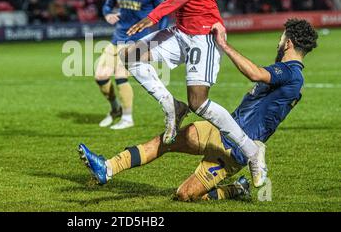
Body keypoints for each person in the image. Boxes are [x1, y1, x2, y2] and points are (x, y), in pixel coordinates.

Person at [79, 19, 318, 201]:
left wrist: (223, 45)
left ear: (288, 43)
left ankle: (236, 188)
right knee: (166, 142)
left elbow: (255, 73)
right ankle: (108, 167)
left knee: (184, 195)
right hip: (222, 131)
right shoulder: (291, 76)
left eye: (281, 38)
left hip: (238, 151)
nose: (278, 42)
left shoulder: (290, 73)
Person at [119, 0, 267, 187]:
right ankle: (172, 106)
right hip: (183, 30)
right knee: (130, 55)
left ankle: (251, 151)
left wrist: (153, 17)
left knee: (198, 103)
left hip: (203, 34)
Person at [95, 0, 169, 130]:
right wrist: (107, 15)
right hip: (117, 39)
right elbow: (106, 6)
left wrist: (158, 37)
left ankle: (128, 118)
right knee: (100, 76)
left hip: (137, 42)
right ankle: (115, 109)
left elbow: (164, 14)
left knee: (120, 75)